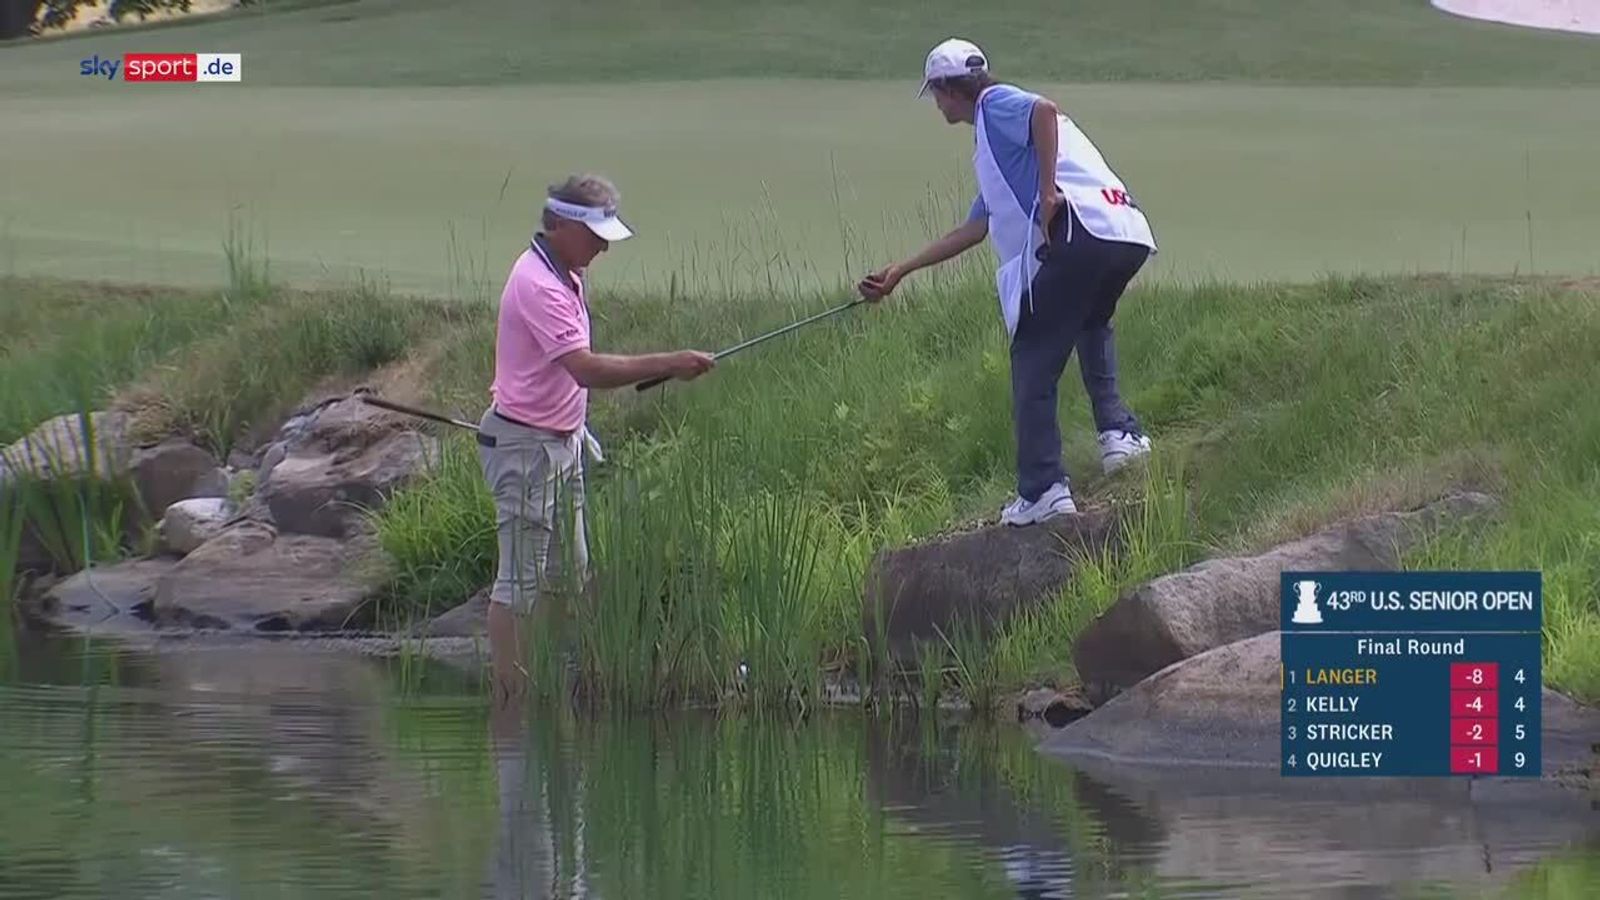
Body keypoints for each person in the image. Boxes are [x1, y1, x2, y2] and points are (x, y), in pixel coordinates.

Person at [859, 38, 1157, 527]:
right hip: (1123, 234)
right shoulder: (1000, 151)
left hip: (1077, 231)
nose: (937, 105)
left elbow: (1043, 110)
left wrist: (1045, 194)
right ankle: (1119, 437)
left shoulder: (993, 106)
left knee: (1033, 357)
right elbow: (975, 228)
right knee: (1091, 323)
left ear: (949, 89)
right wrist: (901, 271)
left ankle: (1043, 489)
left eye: (936, 94)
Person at [480, 173, 715, 698]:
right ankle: (511, 703)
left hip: (559, 442)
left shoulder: (565, 270)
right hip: (524, 447)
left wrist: (576, 428)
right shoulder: (539, 284)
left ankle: (548, 685)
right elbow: (585, 368)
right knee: (519, 581)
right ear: (559, 225)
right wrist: (671, 363)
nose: (604, 246)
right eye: (594, 234)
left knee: (571, 574)